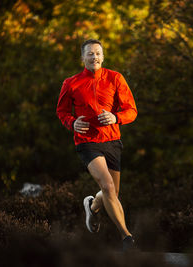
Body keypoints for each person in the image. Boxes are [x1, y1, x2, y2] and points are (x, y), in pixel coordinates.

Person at [56, 39, 137, 251]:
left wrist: (115, 117)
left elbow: (131, 110)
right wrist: (73, 122)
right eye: (90, 54)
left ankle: (91, 206)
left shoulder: (115, 78)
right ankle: (127, 237)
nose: (94, 57)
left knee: (112, 193)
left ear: (103, 56)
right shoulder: (71, 83)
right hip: (87, 142)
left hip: (112, 140)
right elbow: (62, 112)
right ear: (83, 58)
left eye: (98, 53)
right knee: (108, 186)